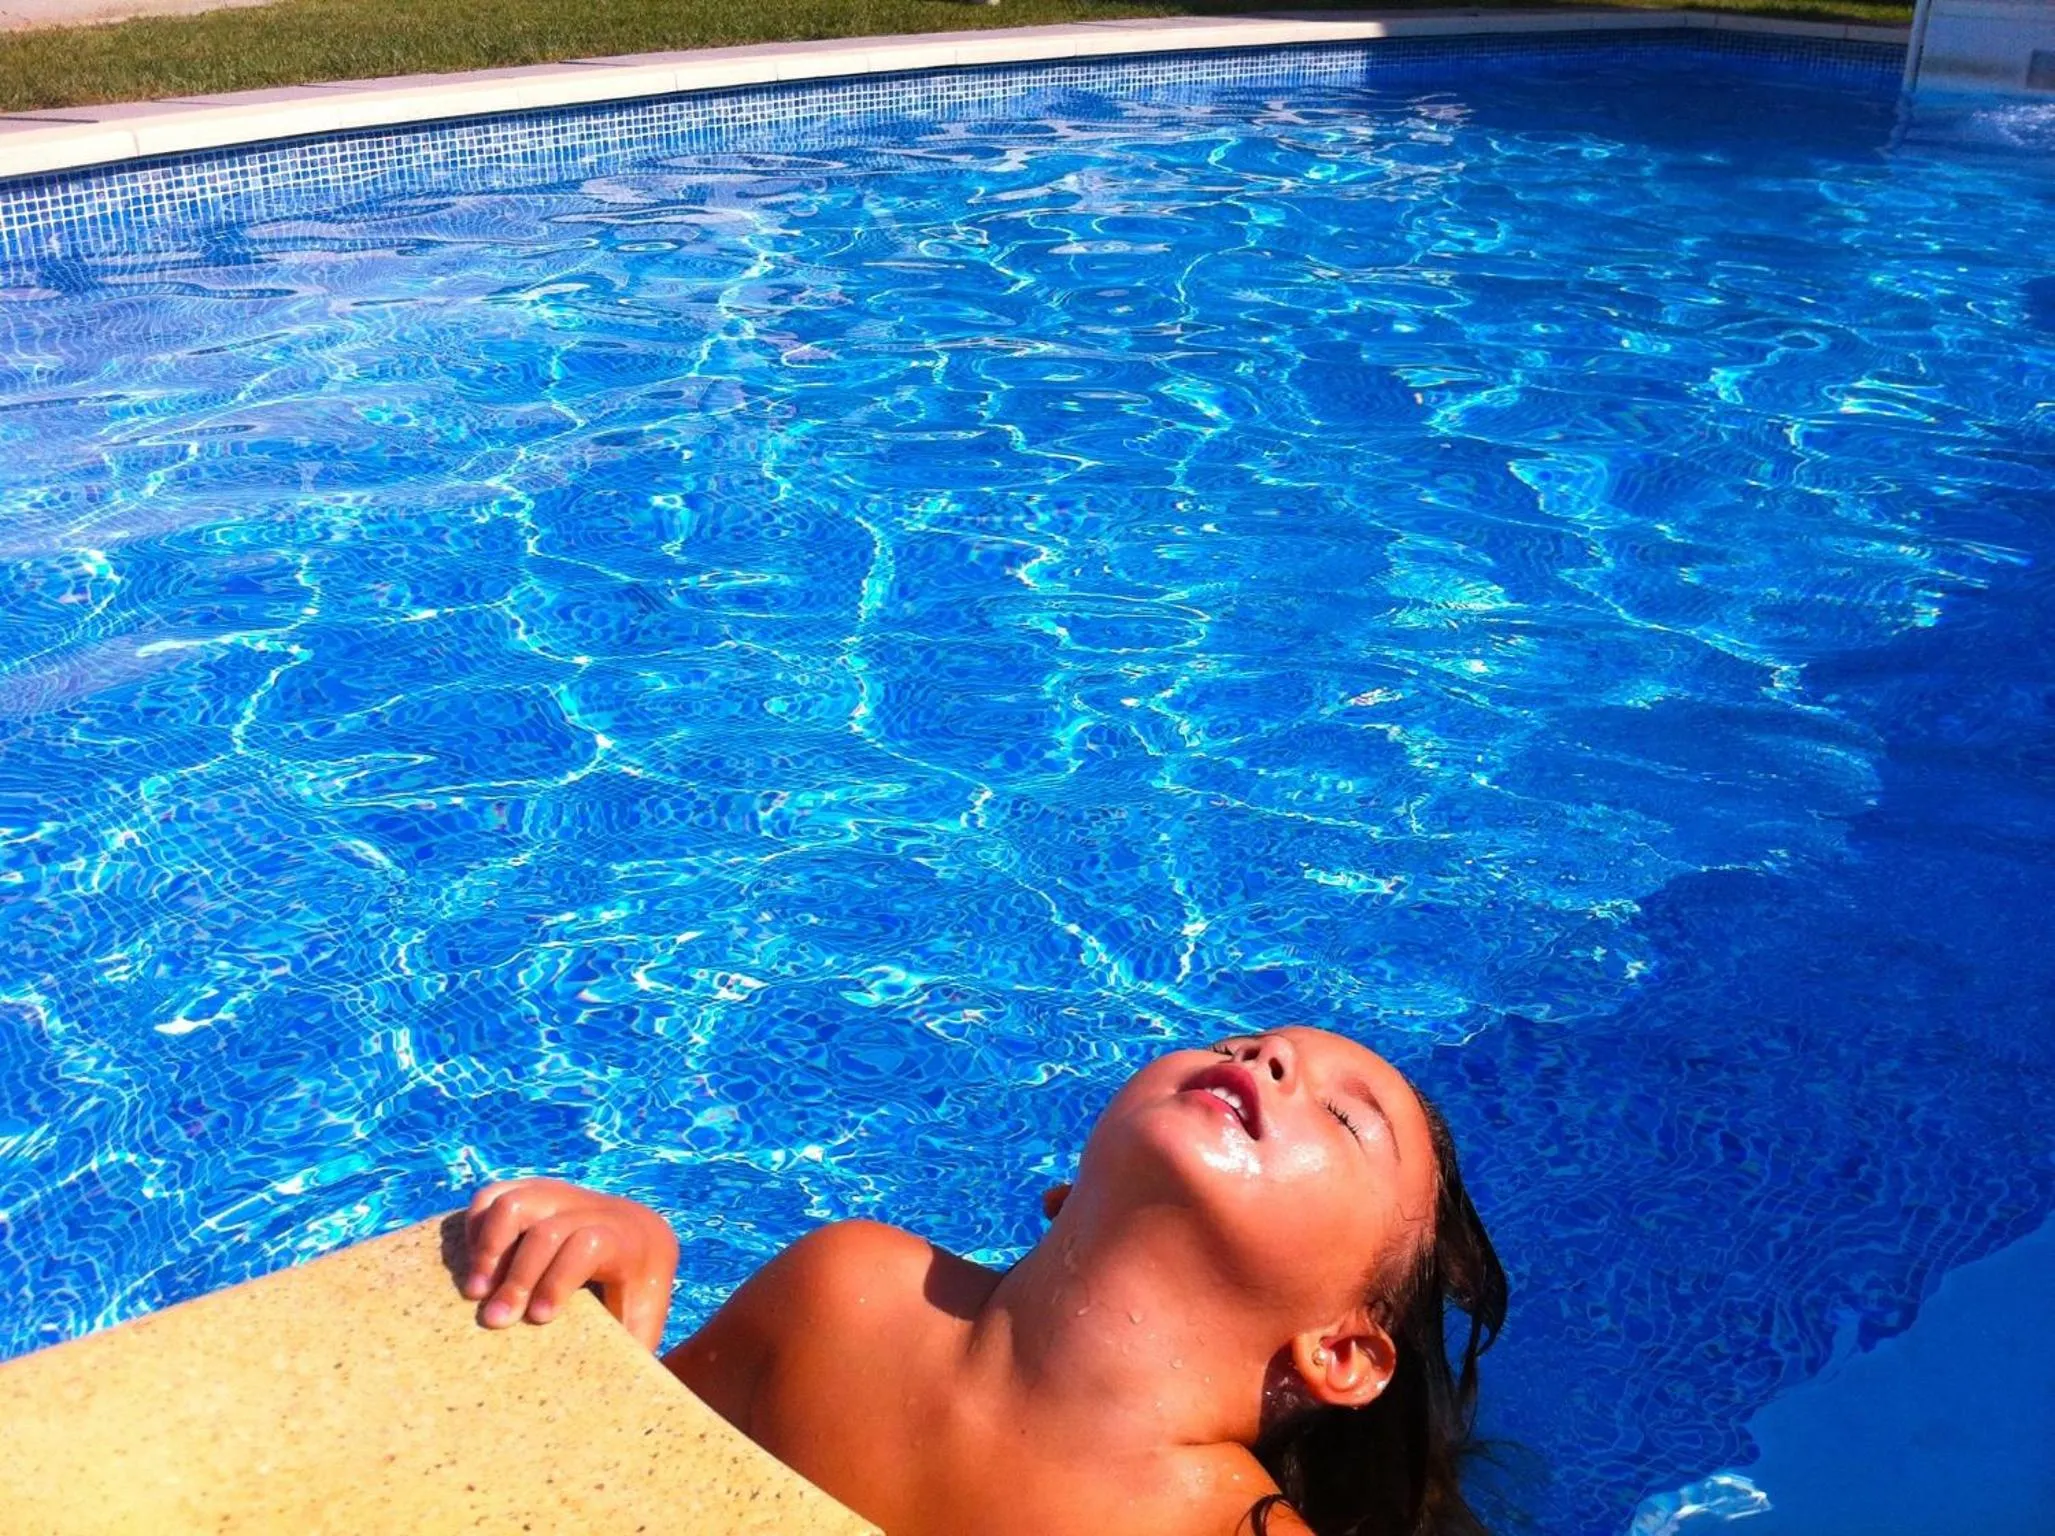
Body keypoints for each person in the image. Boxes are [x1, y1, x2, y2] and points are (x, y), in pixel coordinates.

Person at [462, 1026, 1507, 1536]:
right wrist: (611, 1290)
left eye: (1345, 1117)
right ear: (1064, 1197)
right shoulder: (850, 1294)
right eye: (1247, 1039)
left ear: (1343, 1352)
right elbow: (572, 1490)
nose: (1271, 1054)